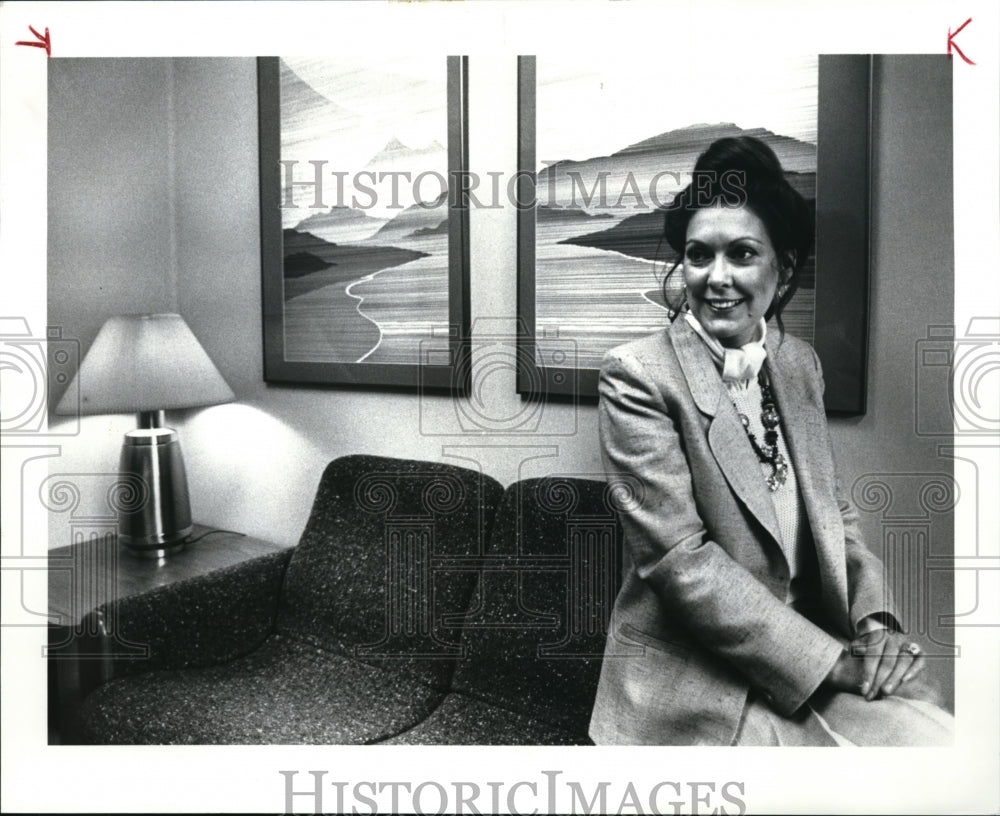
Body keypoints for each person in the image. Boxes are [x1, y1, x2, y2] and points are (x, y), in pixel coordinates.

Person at [589, 136, 953, 746]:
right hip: (696, 688)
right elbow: (680, 563)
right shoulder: (635, 374)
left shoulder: (797, 364)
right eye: (699, 255)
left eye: (742, 254)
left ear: (782, 269)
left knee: (936, 729)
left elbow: (835, 512)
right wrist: (835, 664)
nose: (717, 277)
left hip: (810, 652)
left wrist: (874, 625)